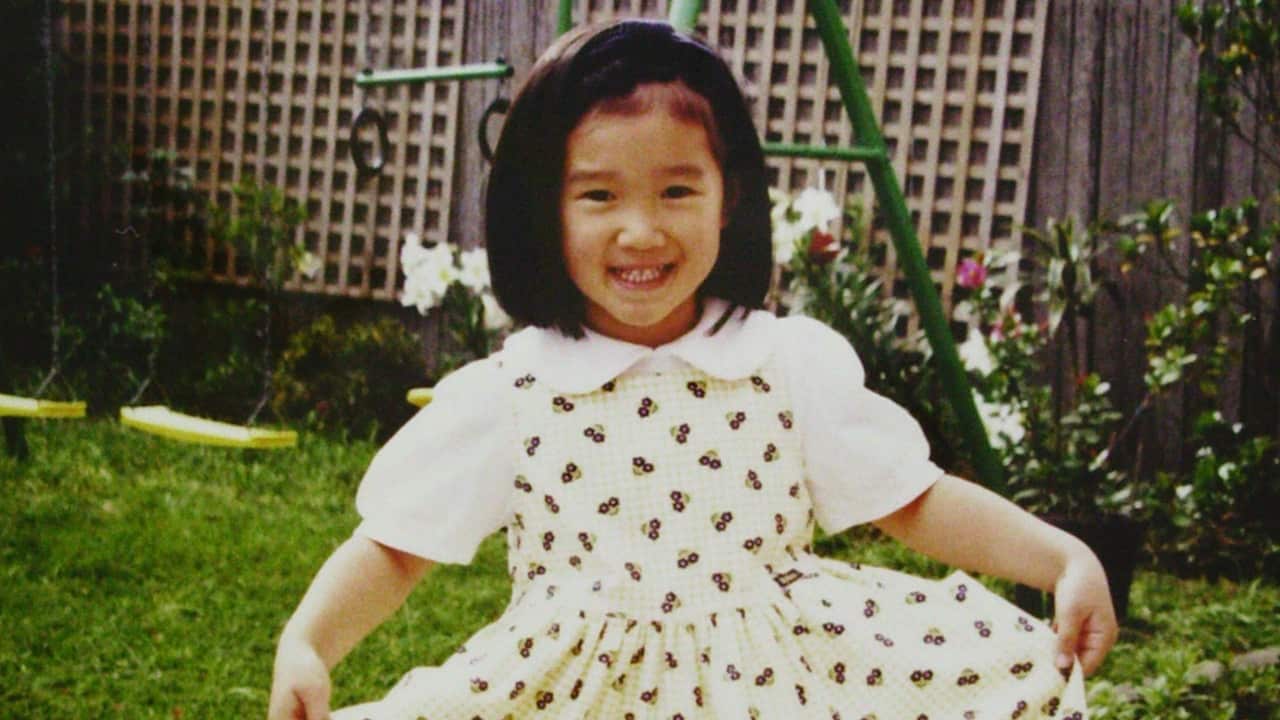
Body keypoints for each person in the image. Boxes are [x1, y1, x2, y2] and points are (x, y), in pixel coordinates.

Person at [269, 19, 1116, 720]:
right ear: (545, 211)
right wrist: (307, 642)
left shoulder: (785, 364)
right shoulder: (516, 392)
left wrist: (1061, 558)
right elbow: (394, 550)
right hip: (577, 692)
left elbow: (914, 500)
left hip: (778, 688)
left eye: (677, 191)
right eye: (598, 196)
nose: (641, 231)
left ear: (730, 198)